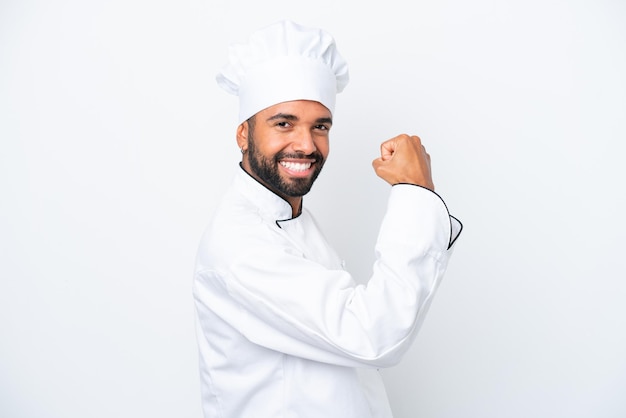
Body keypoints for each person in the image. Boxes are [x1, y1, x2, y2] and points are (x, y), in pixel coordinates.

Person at [193, 20, 462, 418]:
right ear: (243, 135)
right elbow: (373, 335)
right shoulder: (241, 246)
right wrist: (414, 193)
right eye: (284, 123)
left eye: (320, 126)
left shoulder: (290, 215)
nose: (306, 144)